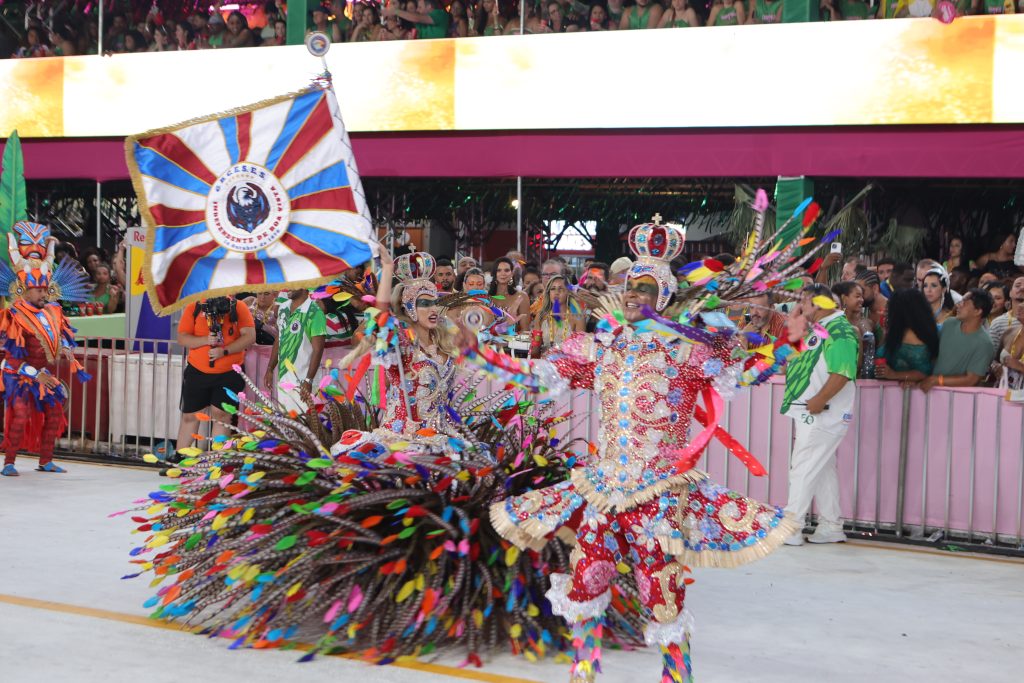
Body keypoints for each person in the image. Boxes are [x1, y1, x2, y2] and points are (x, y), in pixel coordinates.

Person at [488, 218, 797, 683]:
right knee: (587, 575)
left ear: (665, 298)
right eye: (630, 287)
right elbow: (537, 375)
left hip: (660, 489)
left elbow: (749, 367)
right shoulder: (602, 347)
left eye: (646, 290)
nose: (633, 296)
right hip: (604, 486)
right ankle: (584, 670)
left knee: (661, 587)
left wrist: (786, 338)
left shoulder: (688, 353)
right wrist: (477, 353)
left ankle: (677, 676)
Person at [0, 221, 92, 476]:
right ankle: (9, 462)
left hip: (43, 375)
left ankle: (46, 460)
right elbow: (12, 358)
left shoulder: (54, 311)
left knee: (54, 414)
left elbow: (57, 335)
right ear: (24, 291)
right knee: (19, 416)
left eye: (45, 289)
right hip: (18, 375)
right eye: (38, 290)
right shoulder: (14, 315)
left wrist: (65, 347)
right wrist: (34, 374)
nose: (44, 294)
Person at [782, 284, 859, 546]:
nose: (802, 307)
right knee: (822, 468)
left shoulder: (839, 331)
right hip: (814, 412)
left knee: (803, 468)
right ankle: (831, 525)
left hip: (822, 413)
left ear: (818, 303)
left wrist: (820, 399)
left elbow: (843, 372)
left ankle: (791, 527)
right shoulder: (820, 329)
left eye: (804, 302)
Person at [174, 296, 256, 458]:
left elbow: (249, 336)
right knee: (190, 415)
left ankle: (218, 459)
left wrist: (224, 351)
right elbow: (182, 338)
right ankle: (181, 457)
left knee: (222, 415)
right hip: (197, 371)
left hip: (229, 373)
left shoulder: (238, 307)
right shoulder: (195, 306)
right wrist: (206, 340)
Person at [264, 288, 326, 414]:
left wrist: (308, 380)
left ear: (304, 286)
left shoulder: (314, 312)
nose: (288, 288)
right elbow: (279, 338)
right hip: (285, 381)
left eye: (294, 284)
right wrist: (270, 368)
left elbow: (318, 349)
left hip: (305, 382)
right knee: (288, 426)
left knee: (306, 428)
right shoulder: (283, 308)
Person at [920, 288, 995, 392]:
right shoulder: (949, 323)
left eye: (964, 302)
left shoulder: (985, 344)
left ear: (977, 311)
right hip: (931, 389)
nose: (958, 305)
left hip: (958, 398)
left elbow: (971, 379)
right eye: (960, 301)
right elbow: (933, 354)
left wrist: (938, 380)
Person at [875, 289, 939, 385]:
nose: (887, 312)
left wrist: (894, 374)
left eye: (890, 309)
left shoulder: (910, 334)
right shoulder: (919, 329)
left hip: (902, 394)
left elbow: (923, 372)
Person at [530, 275, 584, 354]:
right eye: (553, 289)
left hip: (568, 364)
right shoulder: (540, 316)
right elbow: (535, 351)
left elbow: (580, 351)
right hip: (544, 363)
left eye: (560, 289)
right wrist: (534, 341)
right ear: (549, 293)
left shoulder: (578, 318)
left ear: (568, 292)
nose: (556, 293)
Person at [489, 256, 530, 329]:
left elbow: (525, 329)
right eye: (499, 270)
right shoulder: (486, 297)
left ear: (512, 273)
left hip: (515, 339)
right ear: (494, 273)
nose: (503, 273)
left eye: (507, 270)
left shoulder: (521, 296)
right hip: (489, 339)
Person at [996, 298, 1024, 392]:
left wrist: (1020, 367)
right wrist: (995, 367)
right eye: (1022, 302)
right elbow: (994, 360)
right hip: (1002, 396)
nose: (1020, 306)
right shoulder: (1009, 332)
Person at [989, 276, 1024, 349]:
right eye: (1017, 286)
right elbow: (991, 356)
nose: (1022, 288)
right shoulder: (998, 323)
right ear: (1010, 293)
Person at [384, 0, 450, 39]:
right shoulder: (419, 24)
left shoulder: (440, 14)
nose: (417, 10)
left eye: (420, 7)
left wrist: (395, 11)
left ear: (429, 7)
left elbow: (416, 18)